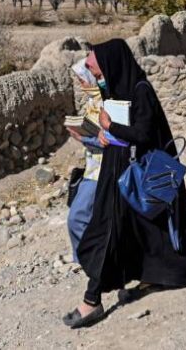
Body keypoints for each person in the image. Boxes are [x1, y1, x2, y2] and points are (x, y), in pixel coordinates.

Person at [63, 39, 186, 329]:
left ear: (114, 65)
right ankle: (154, 276)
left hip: (132, 177)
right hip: (118, 175)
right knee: (135, 232)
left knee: (108, 233)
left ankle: (92, 300)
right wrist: (104, 138)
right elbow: (121, 134)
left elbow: (142, 134)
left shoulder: (142, 91)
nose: (98, 80)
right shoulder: (118, 90)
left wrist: (110, 127)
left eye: (100, 73)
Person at [65, 59, 104, 262]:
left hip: (101, 171)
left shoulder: (106, 101)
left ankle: (89, 260)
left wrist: (84, 138)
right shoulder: (91, 102)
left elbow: (110, 141)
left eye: (83, 79)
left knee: (76, 217)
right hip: (92, 167)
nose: (81, 84)